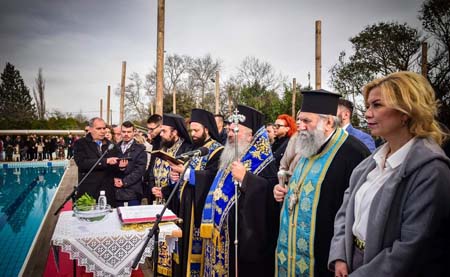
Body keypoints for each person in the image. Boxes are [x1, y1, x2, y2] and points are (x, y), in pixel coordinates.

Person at [328, 71, 450, 277]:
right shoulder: (370, 163)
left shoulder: (432, 171)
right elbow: (345, 211)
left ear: (406, 111)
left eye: (377, 105)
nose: (367, 113)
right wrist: (340, 255)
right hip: (351, 261)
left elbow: (411, 246)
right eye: (367, 106)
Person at [273, 89, 370, 276]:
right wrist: (282, 191)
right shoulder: (310, 144)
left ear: (328, 122)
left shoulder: (354, 153)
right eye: (299, 120)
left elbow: (357, 212)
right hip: (291, 252)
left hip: (326, 256)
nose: (299, 126)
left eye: (306, 121)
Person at [201, 105, 279, 277]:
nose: (229, 134)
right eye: (229, 129)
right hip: (223, 236)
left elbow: (270, 201)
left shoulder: (265, 163)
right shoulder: (231, 156)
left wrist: (246, 179)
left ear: (251, 135)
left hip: (245, 243)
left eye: (235, 130)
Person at [169, 109, 224, 276]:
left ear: (206, 129)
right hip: (184, 207)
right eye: (191, 130)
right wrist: (174, 176)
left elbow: (213, 177)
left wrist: (185, 173)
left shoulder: (217, 150)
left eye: (196, 130)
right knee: (182, 247)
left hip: (198, 209)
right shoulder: (193, 148)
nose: (192, 134)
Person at [149, 113, 192, 276]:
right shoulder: (162, 147)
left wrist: (164, 191)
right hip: (158, 202)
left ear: (175, 132)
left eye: (164, 131)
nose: (161, 134)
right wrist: (153, 187)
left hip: (175, 204)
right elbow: (151, 172)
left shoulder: (187, 148)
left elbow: (182, 178)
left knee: (172, 248)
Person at [73, 117, 119, 207]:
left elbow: (114, 169)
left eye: (104, 128)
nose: (102, 131)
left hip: (108, 193)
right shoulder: (80, 144)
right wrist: (105, 161)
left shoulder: (112, 145)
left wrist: (120, 166)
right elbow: (82, 163)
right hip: (89, 192)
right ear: (90, 129)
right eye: (98, 128)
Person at [113, 121, 147, 207]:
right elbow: (110, 168)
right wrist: (117, 172)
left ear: (134, 132)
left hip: (133, 192)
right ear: (121, 132)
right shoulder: (114, 148)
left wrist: (124, 182)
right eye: (124, 132)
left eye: (129, 132)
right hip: (116, 192)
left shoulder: (140, 149)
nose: (126, 134)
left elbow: (139, 171)